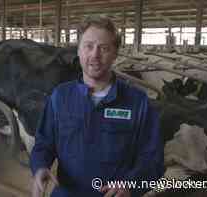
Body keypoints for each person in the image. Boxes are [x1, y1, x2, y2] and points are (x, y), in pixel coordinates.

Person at [30, 15, 164, 197]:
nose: (95, 54)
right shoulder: (61, 96)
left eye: (104, 48)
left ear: (116, 53)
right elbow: (44, 143)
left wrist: (131, 185)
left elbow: (152, 158)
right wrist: (40, 167)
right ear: (78, 51)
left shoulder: (137, 101)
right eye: (88, 46)